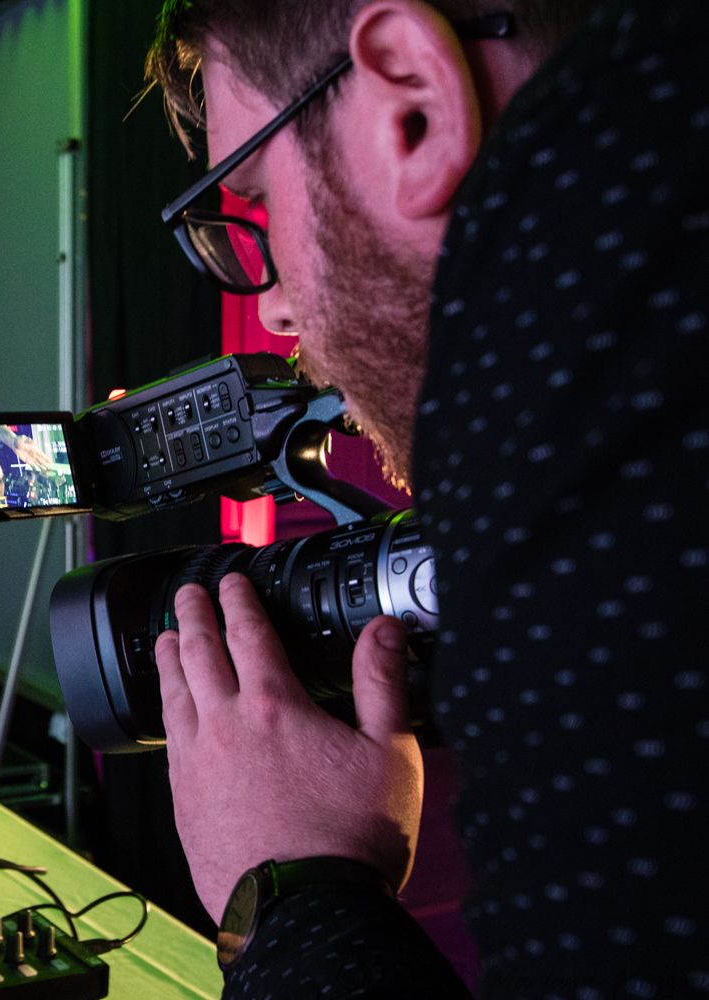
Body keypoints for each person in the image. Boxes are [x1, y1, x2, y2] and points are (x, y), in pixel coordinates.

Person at [144, 0, 708, 996]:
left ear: (413, 101)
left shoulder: (597, 370)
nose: (271, 303)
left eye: (260, 204)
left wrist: (296, 886)